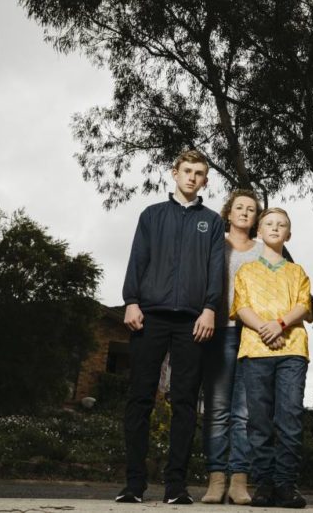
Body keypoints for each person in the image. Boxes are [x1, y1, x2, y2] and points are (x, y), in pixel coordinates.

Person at [116, 150, 225, 505]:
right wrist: (131, 300)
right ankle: (133, 485)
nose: (192, 177)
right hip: (150, 317)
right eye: (187, 171)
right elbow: (138, 258)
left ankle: (175, 486)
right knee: (140, 397)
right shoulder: (152, 215)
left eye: (199, 173)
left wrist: (209, 309)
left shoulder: (212, 222)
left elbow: (216, 270)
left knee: (184, 402)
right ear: (174, 173)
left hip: (193, 322)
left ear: (205, 180)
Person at [231, 208, 313, 509]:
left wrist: (279, 325)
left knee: (290, 417)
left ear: (288, 234)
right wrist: (265, 330)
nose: (275, 228)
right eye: (269, 224)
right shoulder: (246, 271)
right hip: (255, 350)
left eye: (282, 225)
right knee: (258, 421)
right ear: (259, 231)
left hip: (292, 350)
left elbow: (303, 305)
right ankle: (264, 483)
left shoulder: (297, 271)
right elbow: (242, 307)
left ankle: (285, 485)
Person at [201, 189, 264, 505]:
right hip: (220, 332)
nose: (244, 212)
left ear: (256, 218)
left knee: (244, 413)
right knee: (217, 409)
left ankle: (239, 480)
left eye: (251, 209)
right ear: (228, 213)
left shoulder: (264, 248)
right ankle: (216, 479)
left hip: (252, 336)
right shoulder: (216, 243)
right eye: (239, 207)